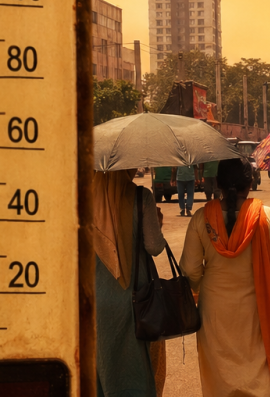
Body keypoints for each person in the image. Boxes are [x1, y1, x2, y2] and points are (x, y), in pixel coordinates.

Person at [180, 159, 270, 396]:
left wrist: (199, 287)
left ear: (218, 184)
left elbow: (190, 271)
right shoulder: (266, 217)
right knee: (264, 378)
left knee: (221, 378)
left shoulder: (201, 218)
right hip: (260, 312)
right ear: (250, 183)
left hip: (215, 312)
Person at [90, 170, 168, 397]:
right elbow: (154, 246)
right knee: (134, 371)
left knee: (101, 367)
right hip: (134, 301)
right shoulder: (140, 197)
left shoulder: (81, 199)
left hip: (94, 301)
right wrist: (157, 223)